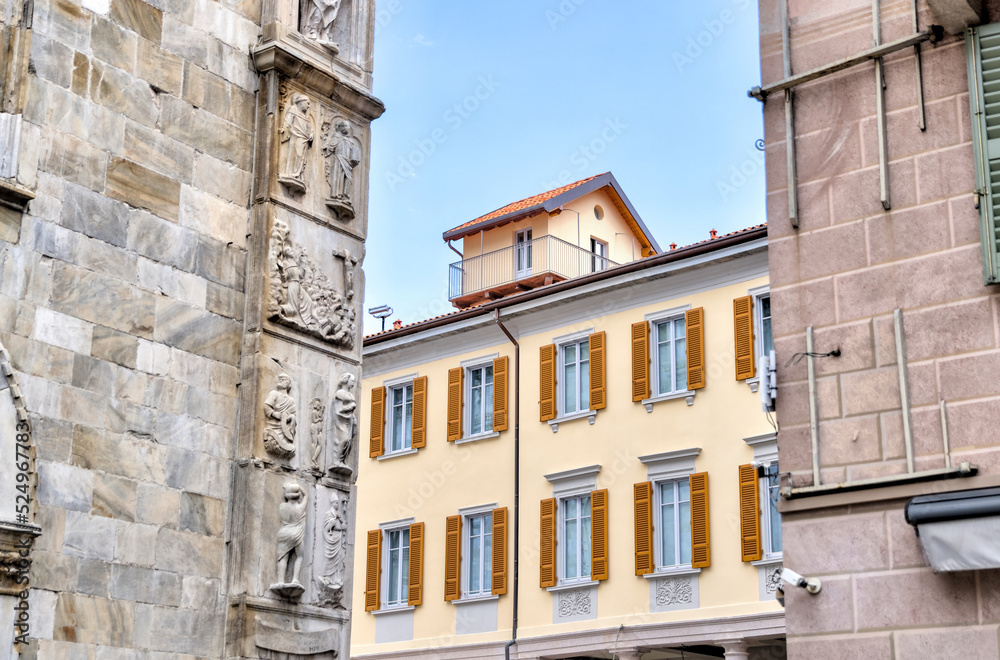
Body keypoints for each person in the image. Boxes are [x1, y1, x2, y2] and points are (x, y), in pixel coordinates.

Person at [278, 93, 314, 192]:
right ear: (300, 102)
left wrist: (311, 135)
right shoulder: (293, 110)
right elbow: (288, 122)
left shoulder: (305, 116)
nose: (308, 106)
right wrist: (284, 130)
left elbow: (309, 128)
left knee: (302, 157)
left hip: (304, 139)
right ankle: (291, 174)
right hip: (296, 136)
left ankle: (298, 176)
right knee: (296, 154)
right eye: (307, 103)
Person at [275, 483, 308, 586]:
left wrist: (288, 488)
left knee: (283, 557)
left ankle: (281, 581)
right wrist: (298, 488)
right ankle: (295, 579)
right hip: (297, 533)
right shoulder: (300, 507)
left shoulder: (282, 506)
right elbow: (306, 495)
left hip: (285, 533)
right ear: (298, 496)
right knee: (299, 556)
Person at [264, 374, 297, 457]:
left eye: (283, 379)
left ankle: (287, 441)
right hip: (274, 425)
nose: (280, 380)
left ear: (288, 383)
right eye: (280, 379)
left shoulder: (291, 400)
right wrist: (273, 413)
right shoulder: (274, 393)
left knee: (293, 418)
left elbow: (293, 413)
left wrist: (288, 418)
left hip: (285, 426)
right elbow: (266, 406)